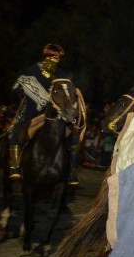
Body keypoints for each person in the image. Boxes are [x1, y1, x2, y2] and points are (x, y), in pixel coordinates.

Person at [7, 43, 81, 185]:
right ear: (45, 55)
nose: (55, 59)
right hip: (31, 112)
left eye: (57, 57)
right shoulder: (31, 71)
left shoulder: (61, 75)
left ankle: (71, 170)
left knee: (74, 136)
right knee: (16, 132)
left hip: (54, 114)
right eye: (52, 56)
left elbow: (68, 93)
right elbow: (17, 88)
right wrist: (25, 93)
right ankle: (14, 167)